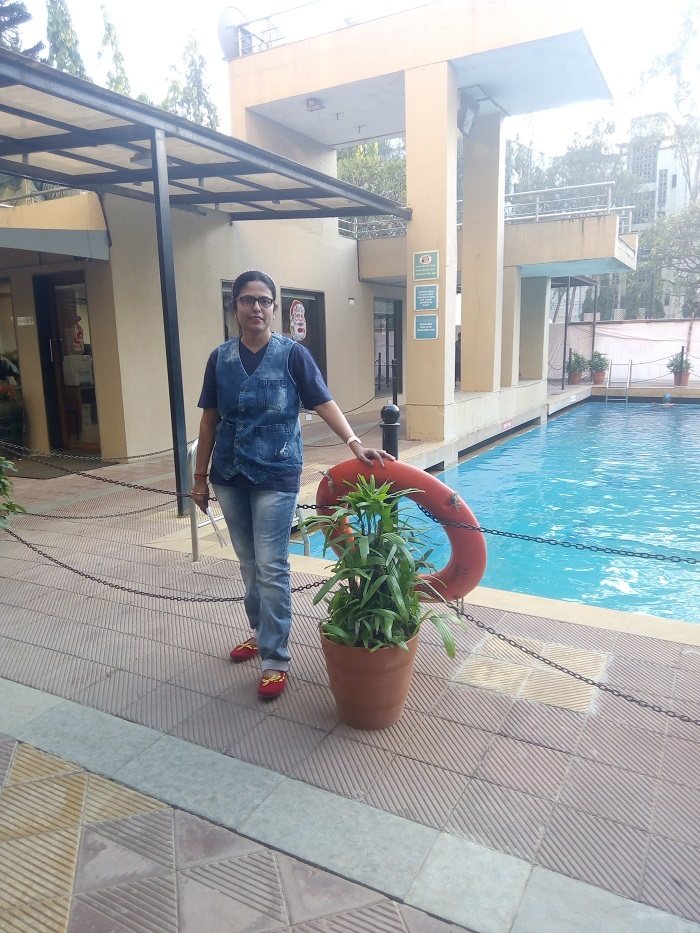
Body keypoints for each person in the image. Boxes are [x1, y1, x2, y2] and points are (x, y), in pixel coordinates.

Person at [192, 270, 394, 699]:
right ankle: (260, 633)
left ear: (274, 308)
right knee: (249, 564)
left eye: (264, 300)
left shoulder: (293, 355)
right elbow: (209, 421)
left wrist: (355, 444)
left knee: (271, 565)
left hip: (276, 473)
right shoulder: (219, 359)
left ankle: (275, 657)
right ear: (235, 306)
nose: (256, 307)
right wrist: (198, 478)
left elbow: (324, 402)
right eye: (248, 300)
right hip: (229, 474)